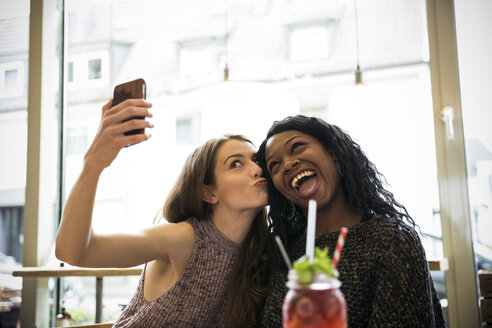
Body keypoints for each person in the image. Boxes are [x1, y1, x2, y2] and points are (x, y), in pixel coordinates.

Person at [55, 98, 270, 327]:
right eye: (235, 164)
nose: (257, 169)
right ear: (209, 193)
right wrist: (93, 164)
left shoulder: (261, 251)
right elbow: (74, 252)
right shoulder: (186, 238)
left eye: (256, 160)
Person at [256, 115, 445, 327]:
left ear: (332, 152)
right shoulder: (282, 253)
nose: (288, 164)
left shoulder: (392, 242)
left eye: (297, 147)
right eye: (275, 165)